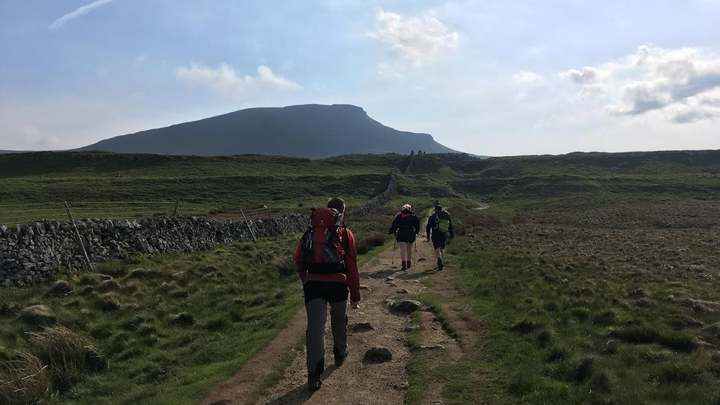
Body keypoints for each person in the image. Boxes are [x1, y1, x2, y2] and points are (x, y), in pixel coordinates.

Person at [294, 197, 360, 392]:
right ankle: (340, 353)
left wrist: (306, 279)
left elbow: (298, 257)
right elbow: (351, 265)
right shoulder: (345, 233)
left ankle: (314, 376)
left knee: (315, 327)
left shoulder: (311, 232)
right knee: (338, 318)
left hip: (313, 283)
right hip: (337, 283)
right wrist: (355, 294)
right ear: (342, 212)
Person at [388, 204, 420, 270]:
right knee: (409, 249)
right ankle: (409, 263)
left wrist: (392, 231)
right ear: (410, 209)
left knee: (403, 249)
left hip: (401, 233)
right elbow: (417, 224)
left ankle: (403, 264)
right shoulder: (413, 216)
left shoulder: (399, 216)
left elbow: (394, 225)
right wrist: (416, 231)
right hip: (410, 233)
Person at [426, 205, 454, 271]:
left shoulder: (432, 216)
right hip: (443, 234)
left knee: (437, 248)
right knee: (442, 247)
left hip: (435, 234)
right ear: (441, 209)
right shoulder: (446, 216)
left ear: (435, 209)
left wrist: (428, 236)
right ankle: (442, 260)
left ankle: (439, 259)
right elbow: (450, 226)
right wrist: (452, 235)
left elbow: (428, 227)